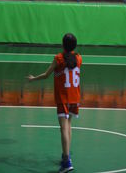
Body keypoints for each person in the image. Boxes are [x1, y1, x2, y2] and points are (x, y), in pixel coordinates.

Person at [27, 33, 82, 173]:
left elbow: (46, 75)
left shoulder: (58, 59)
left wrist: (33, 79)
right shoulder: (79, 58)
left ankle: (66, 162)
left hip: (63, 98)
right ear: (74, 46)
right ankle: (66, 156)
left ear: (63, 44)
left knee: (63, 128)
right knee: (69, 126)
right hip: (75, 98)